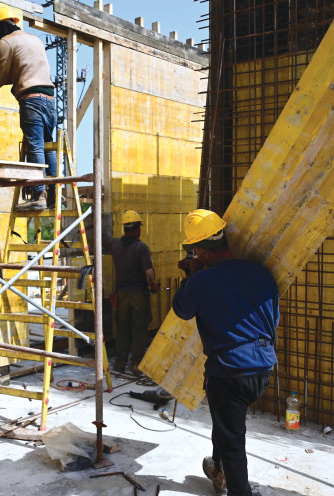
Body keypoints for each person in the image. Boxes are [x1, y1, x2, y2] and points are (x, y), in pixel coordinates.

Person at [171, 209, 279, 496]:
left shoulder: (201, 282)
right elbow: (273, 319)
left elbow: (181, 309)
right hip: (263, 365)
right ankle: (218, 468)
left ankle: (238, 490)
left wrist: (190, 276)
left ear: (200, 252)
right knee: (224, 421)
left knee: (233, 439)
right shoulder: (262, 273)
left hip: (231, 371)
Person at [0, 6, 57, 211]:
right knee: (47, 144)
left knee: (35, 146)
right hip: (49, 99)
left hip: (31, 100)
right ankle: (54, 195)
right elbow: (21, 70)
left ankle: (38, 195)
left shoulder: (6, 42)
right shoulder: (34, 40)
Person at [104, 210, 158, 373]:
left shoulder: (115, 245)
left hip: (121, 295)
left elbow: (104, 239)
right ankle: (136, 363)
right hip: (138, 295)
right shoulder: (142, 248)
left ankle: (120, 362)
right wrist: (153, 285)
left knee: (122, 329)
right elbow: (149, 272)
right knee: (139, 329)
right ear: (137, 229)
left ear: (125, 228)